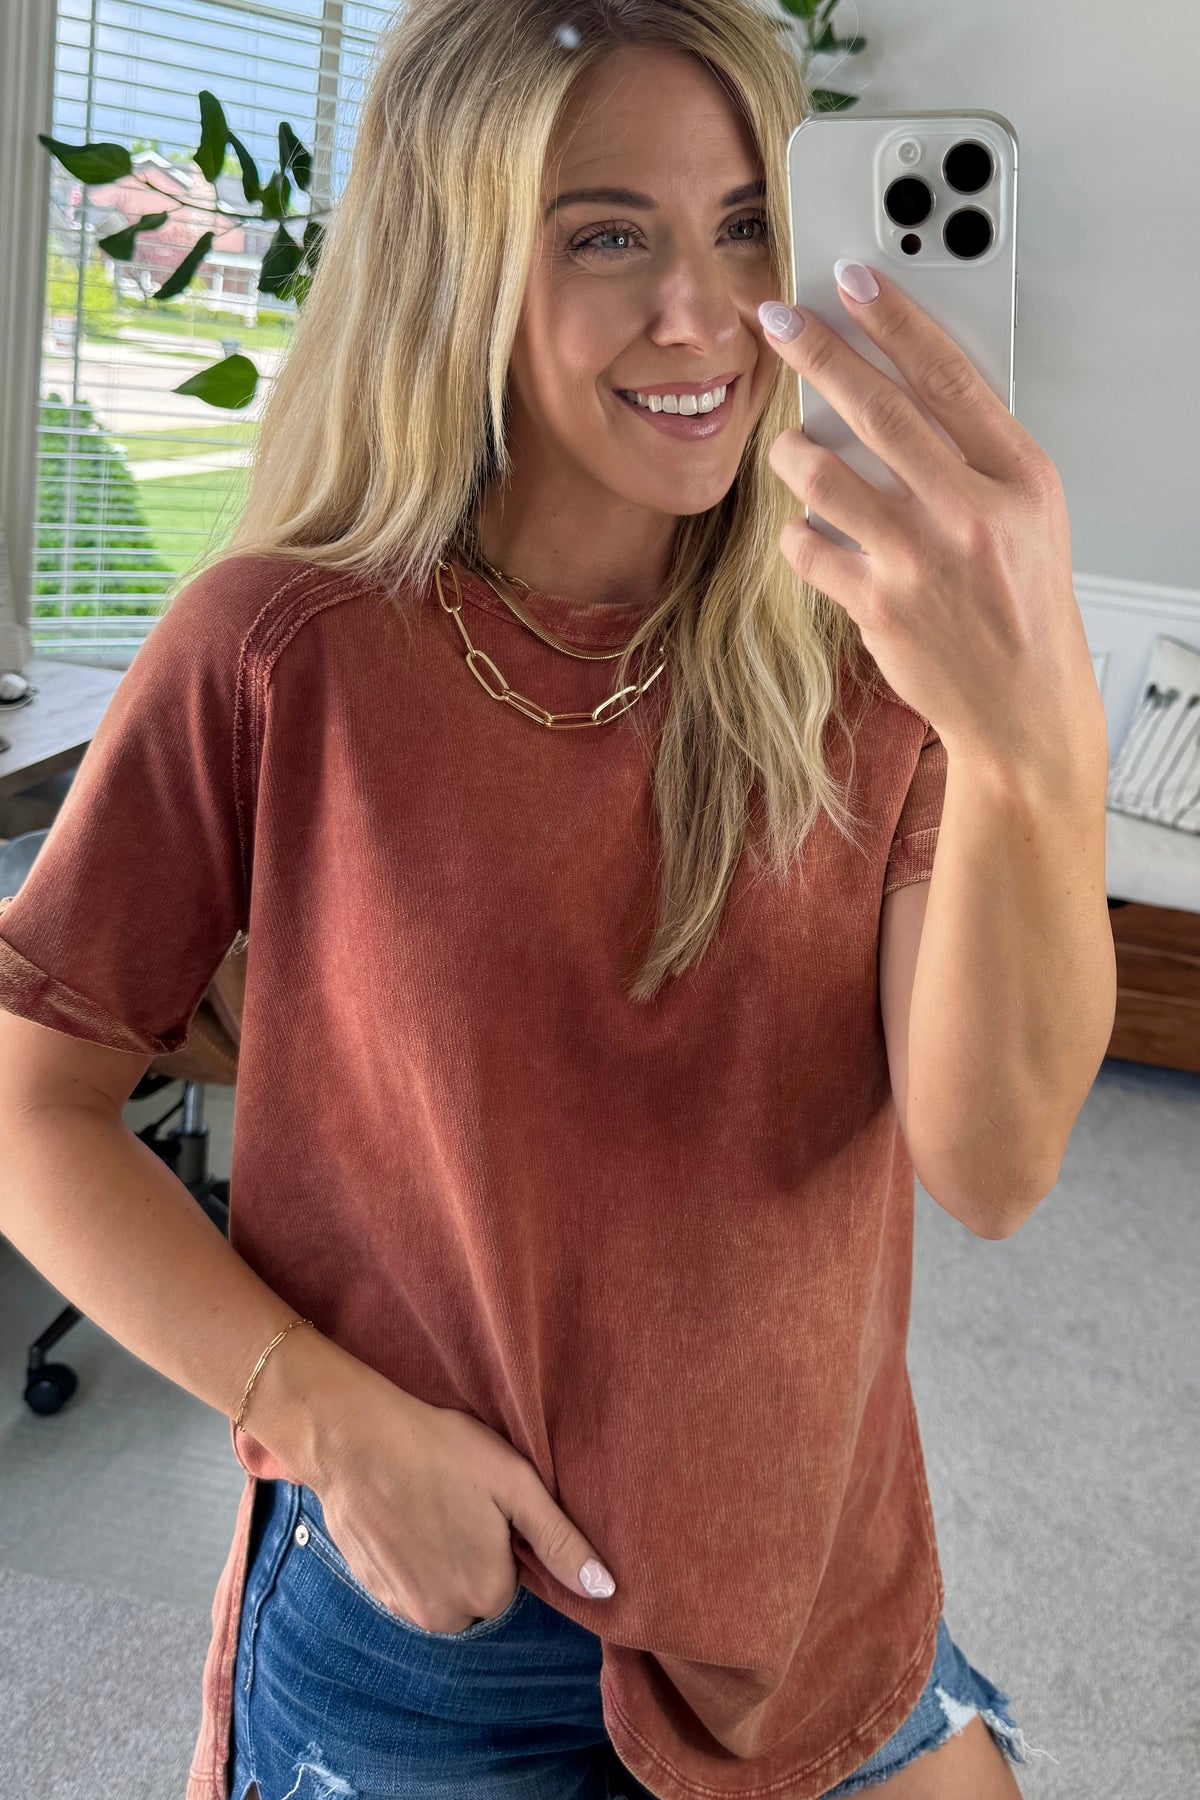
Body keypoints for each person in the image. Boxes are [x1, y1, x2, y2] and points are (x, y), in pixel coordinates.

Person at [0, 1, 1113, 1796]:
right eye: (608, 235)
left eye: (747, 224)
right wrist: (324, 1421)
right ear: (455, 261)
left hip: (815, 1597)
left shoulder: (873, 656)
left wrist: (1032, 737)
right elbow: (28, 1108)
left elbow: (992, 1165)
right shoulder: (281, 650)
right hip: (436, 1632)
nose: (706, 313)